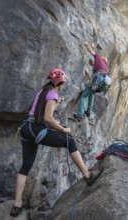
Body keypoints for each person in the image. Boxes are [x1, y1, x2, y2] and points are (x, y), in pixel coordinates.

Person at [10, 67, 103, 217]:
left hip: (27, 129)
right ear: (59, 84)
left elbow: (42, 111)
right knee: (70, 142)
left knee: (25, 166)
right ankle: (87, 176)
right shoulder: (52, 94)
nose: (63, 87)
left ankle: (17, 204)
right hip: (37, 130)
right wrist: (63, 130)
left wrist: (57, 103)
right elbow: (48, 118)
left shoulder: (43, 91)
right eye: (63, 84)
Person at [74, 42, 111, 122]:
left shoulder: (98, 58)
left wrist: (87, 44)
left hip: (97, 80)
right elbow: (96, 77)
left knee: (84, 95)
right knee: (91, 93)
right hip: (102, 85)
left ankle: (79, 115)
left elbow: (91, 50)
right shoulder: (106, 67)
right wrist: (88, 74)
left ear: (102, 58)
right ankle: (88, 112)